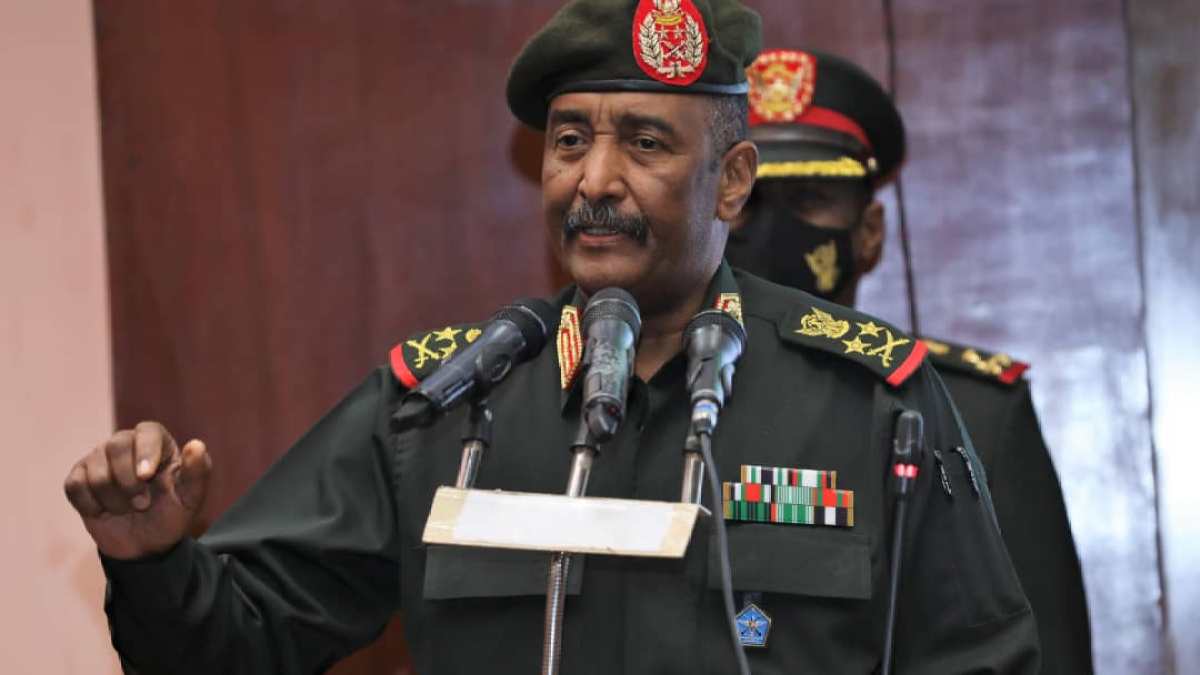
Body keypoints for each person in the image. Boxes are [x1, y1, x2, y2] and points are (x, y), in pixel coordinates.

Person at [63, 2, 1039, 672]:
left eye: (645, 143)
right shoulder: (442, 405)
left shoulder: (874, 403)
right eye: (570, 141)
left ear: (733, 182)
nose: (594, 180)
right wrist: (151, 558)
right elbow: (238, 648)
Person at [726, 47, 1093, 674]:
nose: (772, 230)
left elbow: (1043, 657)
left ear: (869, 234)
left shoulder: (970, 410)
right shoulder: (667, 394)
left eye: (808, 199)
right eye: (749, 204)